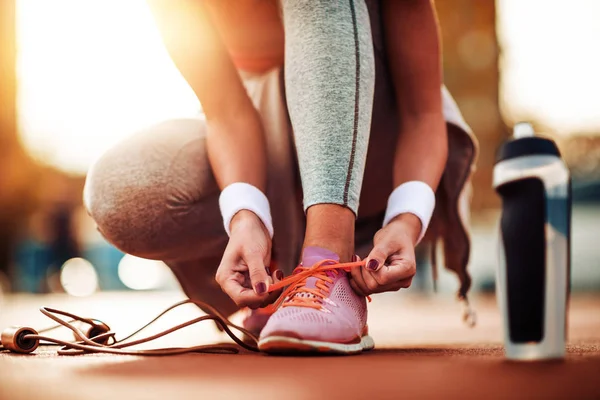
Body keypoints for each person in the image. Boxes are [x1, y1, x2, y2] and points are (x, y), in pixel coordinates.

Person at [84, 0, 477, 354]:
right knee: (122, 192)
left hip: (378, 147)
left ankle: (326, 264)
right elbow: (228, 113)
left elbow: (423, 115)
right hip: (267, 142)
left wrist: (406, 219)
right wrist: (244, 214)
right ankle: (285, 274)